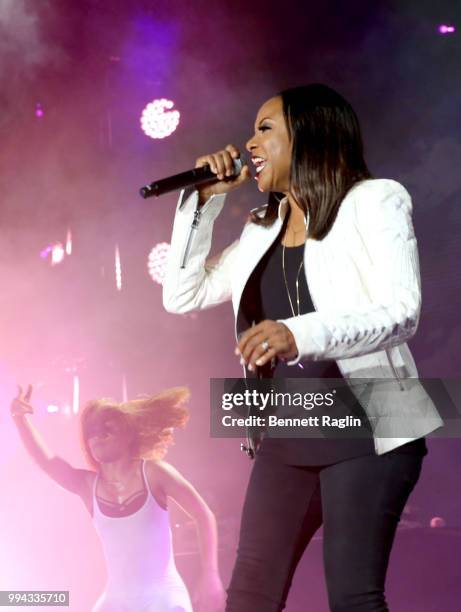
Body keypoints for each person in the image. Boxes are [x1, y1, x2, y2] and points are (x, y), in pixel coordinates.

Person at [162, 84, 443, 611]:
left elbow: (402, 310)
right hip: (290, 425)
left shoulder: (374, 199)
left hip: (376, 420)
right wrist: (202, 202)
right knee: (249, 596)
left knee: (353, 599)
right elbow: (183, 294)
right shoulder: (260, 227)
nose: (250, 142)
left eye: (265, 128)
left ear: (310, 135)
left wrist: (300, 332)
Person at [11, 384, 226, 612]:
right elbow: (48, 462)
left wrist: (210, 576)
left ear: (127, 435)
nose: (97, 435)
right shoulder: (88, 486)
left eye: (106, 428)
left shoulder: (154, 472)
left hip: (164, 597)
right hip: (116, 600)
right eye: (91, 432)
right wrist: (20, 420)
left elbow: (203, 515)